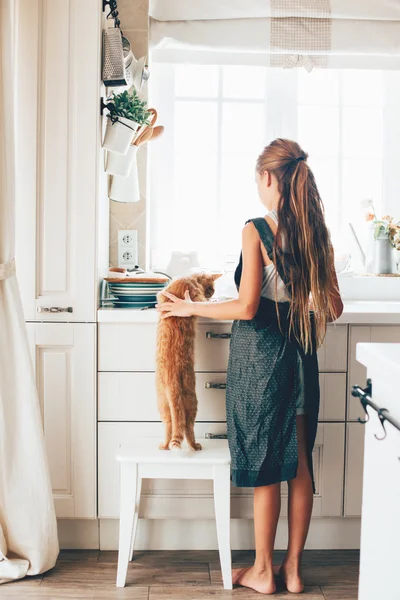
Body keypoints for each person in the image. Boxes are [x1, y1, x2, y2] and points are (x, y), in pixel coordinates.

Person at [156, 138, 344, 595]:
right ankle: (293, 571)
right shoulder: (315, 232)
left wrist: (189, 310)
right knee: (299, 463)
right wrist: (298, 313)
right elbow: (334, 307)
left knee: (265, 459)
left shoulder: (257, 228)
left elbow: (244, 307)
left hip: (263, 359)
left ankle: (263, 571)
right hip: (302, 356)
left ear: (267, 177)